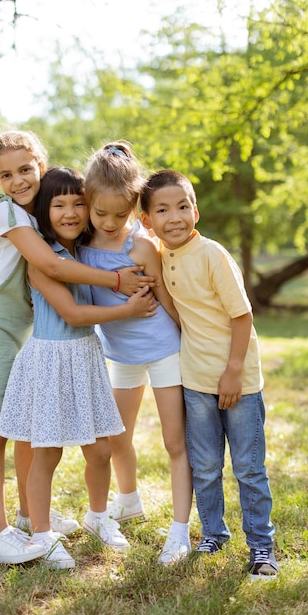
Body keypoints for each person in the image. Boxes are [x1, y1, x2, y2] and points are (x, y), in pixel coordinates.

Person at [0, 130, 157, 565]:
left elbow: (107, 221)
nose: (17, 180)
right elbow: (51, 266)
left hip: (34, 330)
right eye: (6, 174)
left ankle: (34, 515)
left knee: (34, 431)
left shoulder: (52, 220)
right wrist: (119, 284)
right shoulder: (11, 214)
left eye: (25, 169)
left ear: (42, 166)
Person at [140, 169, 278, 580]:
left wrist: (234, 371)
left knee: (249, 468)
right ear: (148, 221)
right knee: (203, 465)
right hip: (195, 381)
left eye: (183, 206)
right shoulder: (162, 257)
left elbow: (242, 314)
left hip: (238, 381)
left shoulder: (213, 254)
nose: (175, 217)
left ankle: (261, 546)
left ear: (195, 211)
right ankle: (214, 533)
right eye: (163, 210)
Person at [79, 142, 193, 565]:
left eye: (120, 215)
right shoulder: (79, 248)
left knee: (173, 440)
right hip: (121, 354)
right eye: (100, 213)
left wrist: (193, 342)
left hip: (164, 349)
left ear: (134, 210)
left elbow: (165, 299)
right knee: (116, 438)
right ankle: (128, 501)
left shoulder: (141, 247)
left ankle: (179, 532)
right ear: (87, 203)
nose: (110, 223)